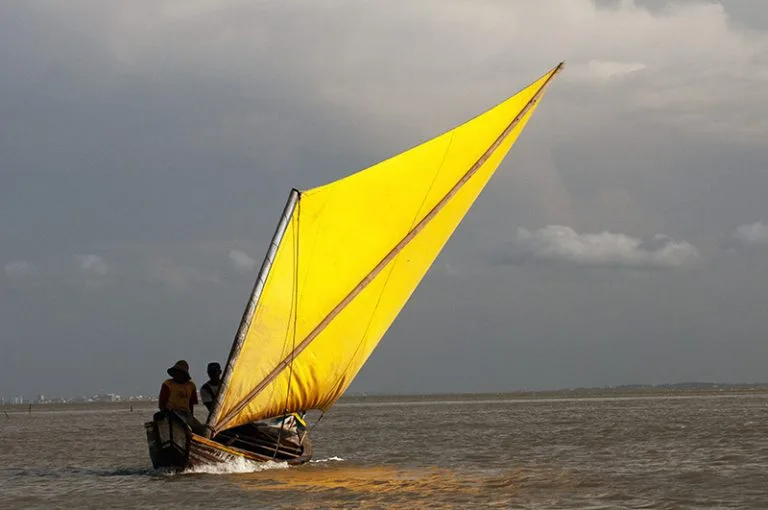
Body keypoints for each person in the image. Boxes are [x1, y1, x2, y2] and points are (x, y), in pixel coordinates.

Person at [157, 360, 205, 434]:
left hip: (186, 413)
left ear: (184, 374)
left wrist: (191, 418)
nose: (178, 375)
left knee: (201, 430)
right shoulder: (168, 384)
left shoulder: (191, 386)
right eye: (176, 372)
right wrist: (165, 413)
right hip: (171, 412)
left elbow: (191, 405)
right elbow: (162, 403)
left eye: (180, 373)